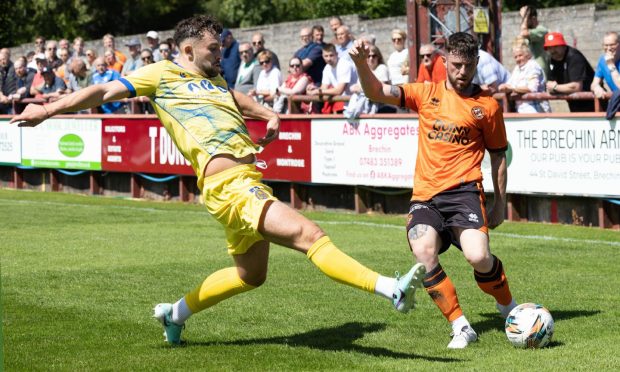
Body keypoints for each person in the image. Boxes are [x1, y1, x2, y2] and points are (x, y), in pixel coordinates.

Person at [10, 14, 425, 346]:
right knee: (308, 233)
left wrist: (266, 113)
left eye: (222, 46)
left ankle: (175, 314)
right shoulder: (159, 74)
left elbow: (232, 97)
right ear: (188, 49)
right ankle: (390, 289)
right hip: (230, 187)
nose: (220, 53)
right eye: (214, 48)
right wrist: (46, 110)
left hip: (244, 180)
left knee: (250, 276)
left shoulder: (214, 79)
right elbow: (100, 94)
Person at [350, 31, 517, 349]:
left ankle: (508, 307)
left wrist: (500, 203)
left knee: (479, 256)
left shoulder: (487, 107)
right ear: (444, 62)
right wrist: (361, 64)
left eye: (468, 65)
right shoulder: (424, 93)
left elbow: (498, 156)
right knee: (423, 251)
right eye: (456, 65)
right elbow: (375, 91)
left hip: (466, 192)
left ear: (477, 63)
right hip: (426, 196)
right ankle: (461, 325)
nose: (462, 72)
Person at [544, 32, 595, 112]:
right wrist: (555, 87)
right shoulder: (551, 60)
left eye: (555, 46)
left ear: (563, 45)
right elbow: (550, 85)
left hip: (593, 104)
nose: (552, 50)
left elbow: (576, 87)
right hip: (574, 103)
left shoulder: (574, 57)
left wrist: (555, 87)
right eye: (549, 48)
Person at [498, 39, 550, 113]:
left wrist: (512, 88)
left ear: (527, 55)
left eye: (520, 55)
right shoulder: (517, 69)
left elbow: (532, 88)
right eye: (515, 57)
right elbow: (509, 84)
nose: (518, 59)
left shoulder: (533, 66)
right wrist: (503, 87)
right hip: (521, 110)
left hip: (536, 110)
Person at [307, 43, 358, 114]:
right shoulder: (327, 68)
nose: (328, 58)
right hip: (344, 104)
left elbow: (339, 91)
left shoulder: (345, 65)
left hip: (357, 104)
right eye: (326, 56)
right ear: (322, 56)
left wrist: (318, 91)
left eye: (331, 55)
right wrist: (315, 89)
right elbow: (324, 88)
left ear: (337, 54)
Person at [519, 5, 549, 77]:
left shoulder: (541, 30)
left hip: (540, 71)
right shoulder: (529, 31)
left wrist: (524, 17)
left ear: (533, 18)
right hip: (530, 70)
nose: (524, 21)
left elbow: (524, 33)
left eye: (526, 19)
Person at [591, 31, 620, 99]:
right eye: (606, 45)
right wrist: (596, 87)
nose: (609, 48)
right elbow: (594, 83)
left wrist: (611, 65)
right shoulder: (603, 61)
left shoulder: (608, 62)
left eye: (612, 44)